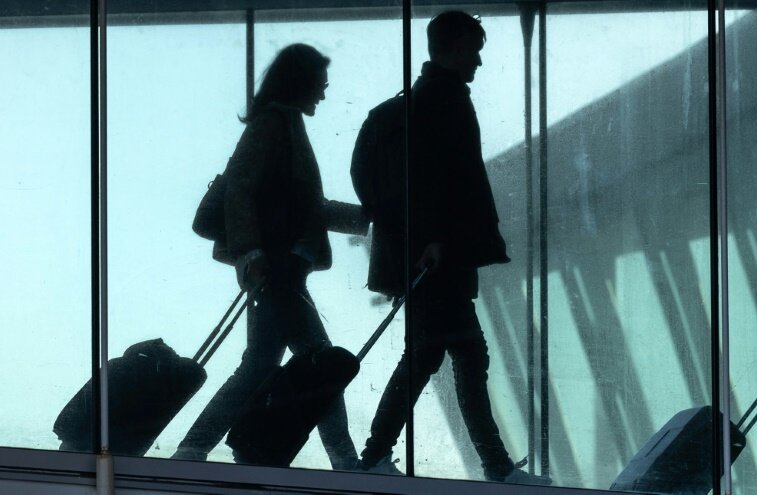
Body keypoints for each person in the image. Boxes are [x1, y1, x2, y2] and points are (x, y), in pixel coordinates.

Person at [356, 12, 551, 485]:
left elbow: (402, 182)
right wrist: (434, 240)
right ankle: (493, 469)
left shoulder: (420, 103)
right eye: (471, 49)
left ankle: (379, 459)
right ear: (449, 48)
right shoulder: (440, 101)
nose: (479, 60)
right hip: (438, 257)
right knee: (457, 354)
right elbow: (439, 181)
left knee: (435, 356)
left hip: (431, 255)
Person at [173, 43, 358, 471]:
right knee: (320, 367)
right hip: (276, 268)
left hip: (275, 267)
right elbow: (240, 188)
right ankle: (346, 461)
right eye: (321, 85)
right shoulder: (275, 124)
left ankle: (193, 448)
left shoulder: (282, 123)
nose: (324, 95)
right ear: (301, 81)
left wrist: (368, 220)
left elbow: (303, 205)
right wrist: (251, 253)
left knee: (261, 368)